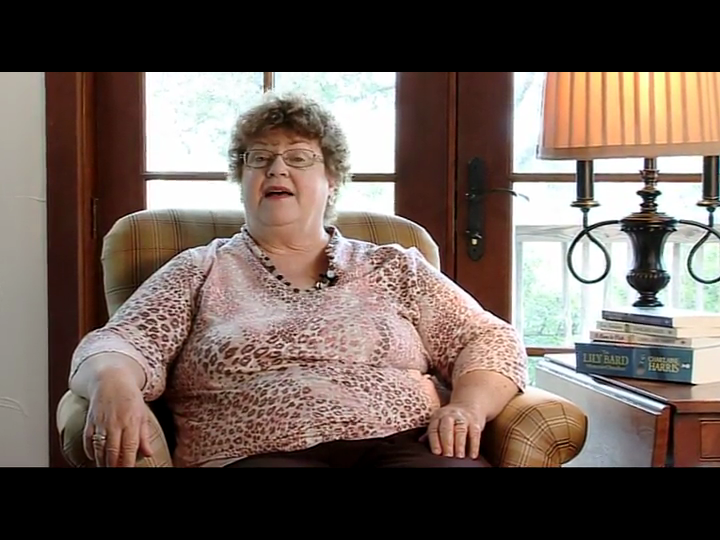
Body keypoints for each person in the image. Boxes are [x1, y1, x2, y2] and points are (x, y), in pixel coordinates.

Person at [68, 93, 528, 468]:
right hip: (256, 453)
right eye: (260, 158)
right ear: (242, 177)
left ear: (332, 179)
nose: (276, 169)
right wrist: (112, 382)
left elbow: (488, 339)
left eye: (299, 157)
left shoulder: (394, 266)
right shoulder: (200, 269)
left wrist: (467, 406)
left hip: (407, 444)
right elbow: (121, 342)